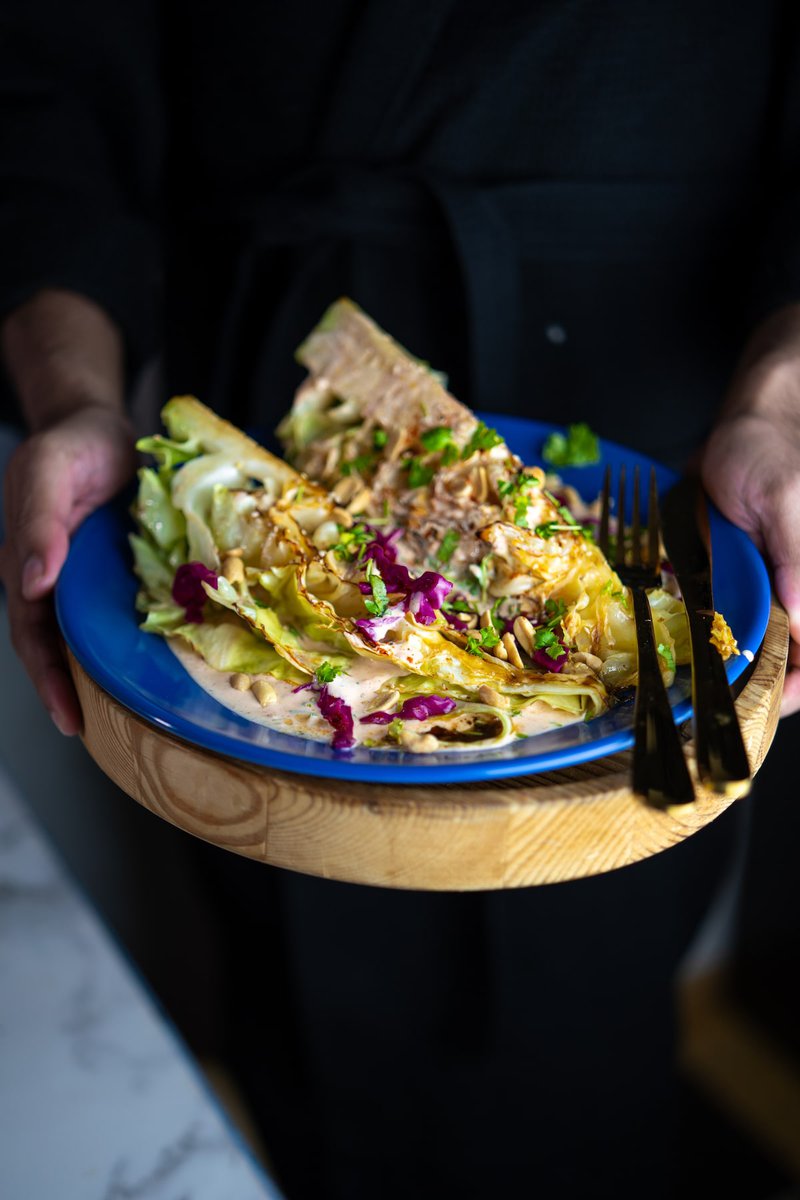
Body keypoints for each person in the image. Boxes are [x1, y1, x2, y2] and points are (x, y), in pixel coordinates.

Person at [1, 4, 799, 1197]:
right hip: (272, 371)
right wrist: (73, 393)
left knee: (581, 1020)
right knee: (296, 1004)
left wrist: (784, 400)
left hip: (664, 442)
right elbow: (48, 73)